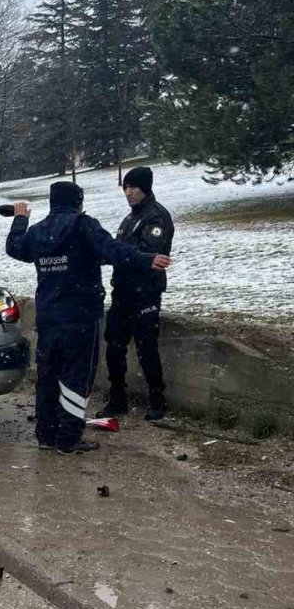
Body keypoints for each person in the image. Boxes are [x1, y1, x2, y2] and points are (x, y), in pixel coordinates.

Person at [6, 182, 170, 454]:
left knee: (47, 376)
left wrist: (20, 219)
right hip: (80, 317)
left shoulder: (38, 232)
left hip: (48, 317)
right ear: (77, 202)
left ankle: (46, 435)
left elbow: (14, 247)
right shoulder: (83, 226)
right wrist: (145, 259)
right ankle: (68, 440)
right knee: (76, 377)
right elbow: (113, 250)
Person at [98, 166, 175, 421]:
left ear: (145, 188)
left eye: (133, 188)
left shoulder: (157, 217)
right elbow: (121, 250)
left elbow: (148, 253)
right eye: (126, 188)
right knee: (114, 347)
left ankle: (157, 399)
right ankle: (117, 397)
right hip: (122, 292)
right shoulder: (130, 218)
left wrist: (121, 254)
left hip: (145, 293)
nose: (128, 193)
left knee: (146, 348)